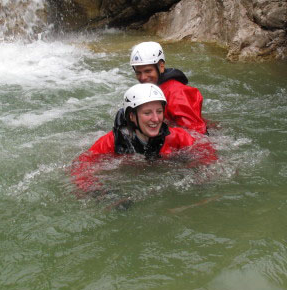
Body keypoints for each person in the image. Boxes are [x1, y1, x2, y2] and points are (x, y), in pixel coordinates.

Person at [70, 83, 216, 195]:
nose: (156, 118)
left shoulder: (177, 137)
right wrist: (99, 193)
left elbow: (207, 153)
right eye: (147, 113)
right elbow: (80, 167)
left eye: (159, 112)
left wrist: (202, 174)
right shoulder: (112, 142)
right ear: (132, 117)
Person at [130, 41, 207, 134]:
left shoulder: (178, 93)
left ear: (161, 66)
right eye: (138, 73)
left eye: (148, 71)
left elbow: (195, 135)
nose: (143, 77)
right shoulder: (151, 89)